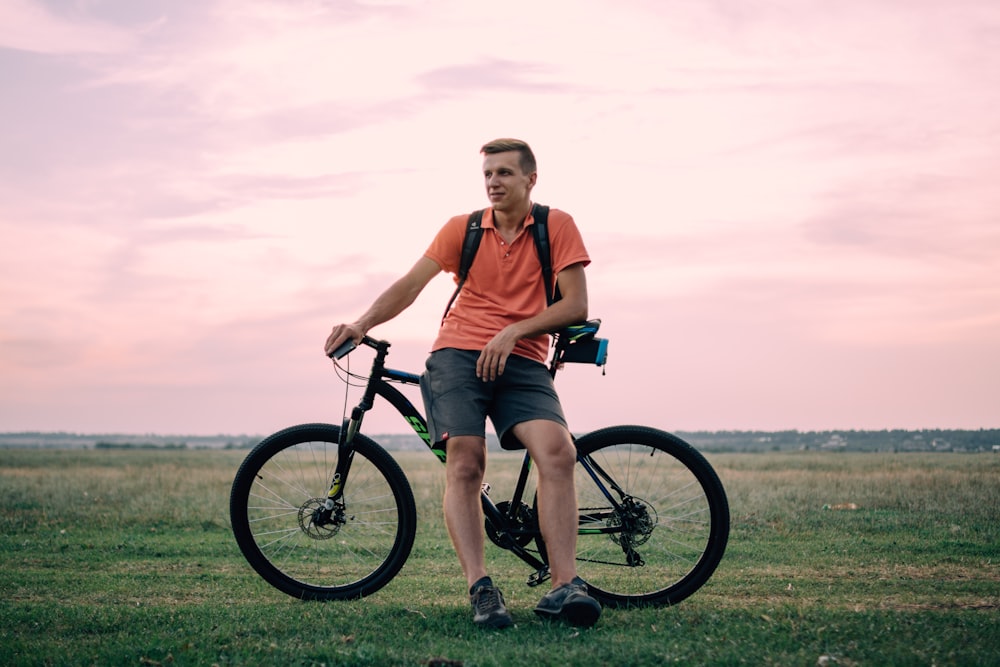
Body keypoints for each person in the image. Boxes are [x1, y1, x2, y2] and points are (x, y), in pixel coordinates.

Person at [323, 138, 602, 629]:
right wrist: (362, 323)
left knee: (558, 452)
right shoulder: (463, 229)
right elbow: (410, 286)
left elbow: (575, 305)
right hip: (457, 355)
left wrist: (514, 331)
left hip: (523, 358)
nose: (494, 183)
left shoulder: (557, 226)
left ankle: (565, 587)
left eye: (505, 174)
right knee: (466, 460)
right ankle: (481, 588)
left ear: (530, 180)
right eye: (488, 174)